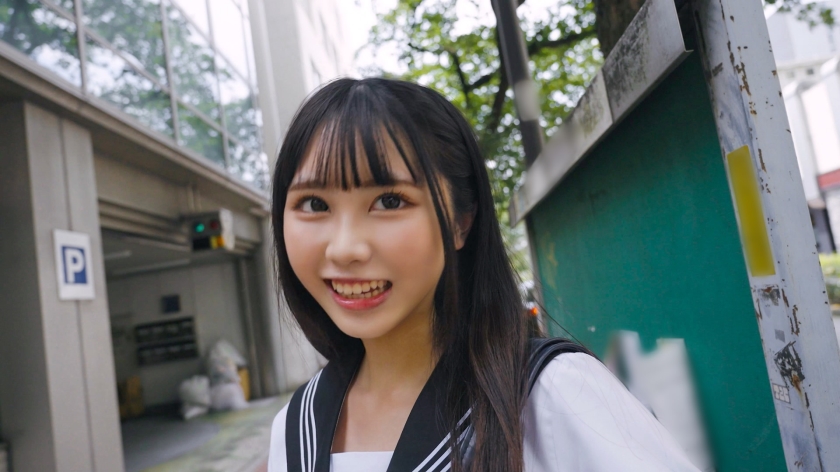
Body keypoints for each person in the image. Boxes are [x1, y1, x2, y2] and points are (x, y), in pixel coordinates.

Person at [267, 78, 699, 472]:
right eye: (315, 205)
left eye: (390, 201)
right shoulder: (296, 425)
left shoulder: (550, 396)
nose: (345, 249)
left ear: (461, 222)